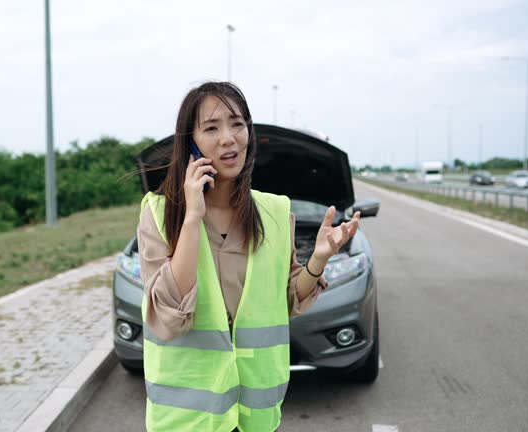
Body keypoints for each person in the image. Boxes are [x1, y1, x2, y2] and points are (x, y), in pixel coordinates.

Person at [137, 81, 361, 432]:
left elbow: (286, 300)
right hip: (188, 420)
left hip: (255, 415)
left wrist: (318, 258)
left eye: (237, 124)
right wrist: (192, 217)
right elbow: (169, 315)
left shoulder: (273, 212)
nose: (228, 137)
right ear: (190, 143)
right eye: (212, 128)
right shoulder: (160, 213)